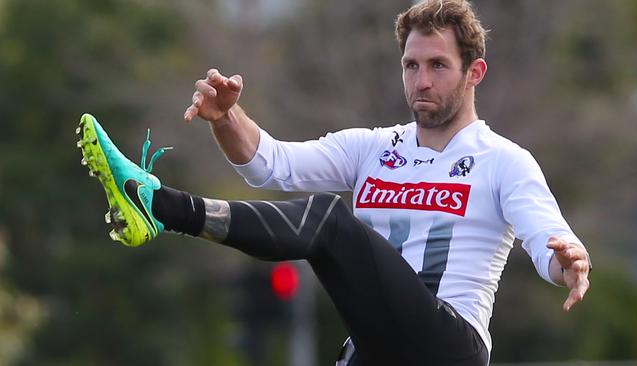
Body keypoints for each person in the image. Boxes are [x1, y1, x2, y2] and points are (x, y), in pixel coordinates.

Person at [77, 0, 592, 365]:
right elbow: (271, 165)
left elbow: (545, 238)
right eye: (411, 65)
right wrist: (225, 119)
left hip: (447, 347)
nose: (422, 80)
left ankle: (160, 205)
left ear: (475, 72)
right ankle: (156, 208)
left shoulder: (504, 160)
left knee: (328, 219)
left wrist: (566, 261)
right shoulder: (373, 148)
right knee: (325, 232)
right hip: (375, 349)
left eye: (438, 65)